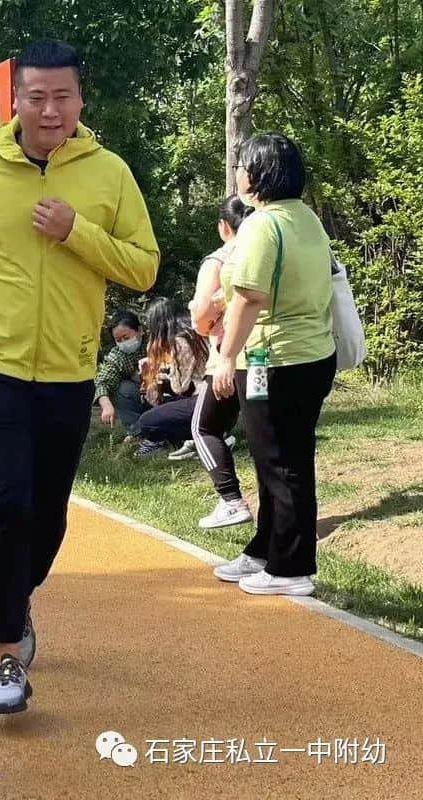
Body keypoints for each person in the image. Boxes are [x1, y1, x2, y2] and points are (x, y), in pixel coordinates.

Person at [0, 39, 159, 713]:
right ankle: (6, 653)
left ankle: (15, 596)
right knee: (4, 502)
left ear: (80, 102)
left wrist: (77, 230)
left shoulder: (108, 173)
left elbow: (143, 266)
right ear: (18, 100)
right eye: (36, 97)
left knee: (48, 513)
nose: (49, 110)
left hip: (65, 369)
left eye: (62, 97)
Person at [211, 133, 336, 597]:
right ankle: (265, 547)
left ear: (259, 174)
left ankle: (292, 566)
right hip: (309, 356)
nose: (239, 172)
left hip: (273, 358)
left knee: (282, 462)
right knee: (278, 458)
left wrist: (225, 358)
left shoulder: (262, 225)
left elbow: (249, 296)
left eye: (243, 165)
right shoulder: (306, 219)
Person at [188, 195, 255, 528]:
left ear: (223, 226)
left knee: (203, 428)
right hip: (270, 354)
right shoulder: (267, 249)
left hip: (229, 357)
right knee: (266, 438)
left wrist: (204, 323)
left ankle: (231, 500)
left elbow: (201, 314)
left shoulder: (218, 259)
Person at [133, 298, 209, 458]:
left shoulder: (180, 341)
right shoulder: (194, 333)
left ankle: (206, 435)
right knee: (159, 408)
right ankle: (192, 436)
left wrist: (158, 373)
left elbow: (179, 387)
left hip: (203, 401)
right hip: (214, 401)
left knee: (146, 421)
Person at [94, 311, 146, 438]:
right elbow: (103, 382)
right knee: (122, 388)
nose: (123, 343)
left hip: (164, 394)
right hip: (138, 396)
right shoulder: (117, 355)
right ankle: (137, 432)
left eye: (126, 338)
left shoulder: (156, 343)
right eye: (118, 340)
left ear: (139, 330)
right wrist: (106, 406)